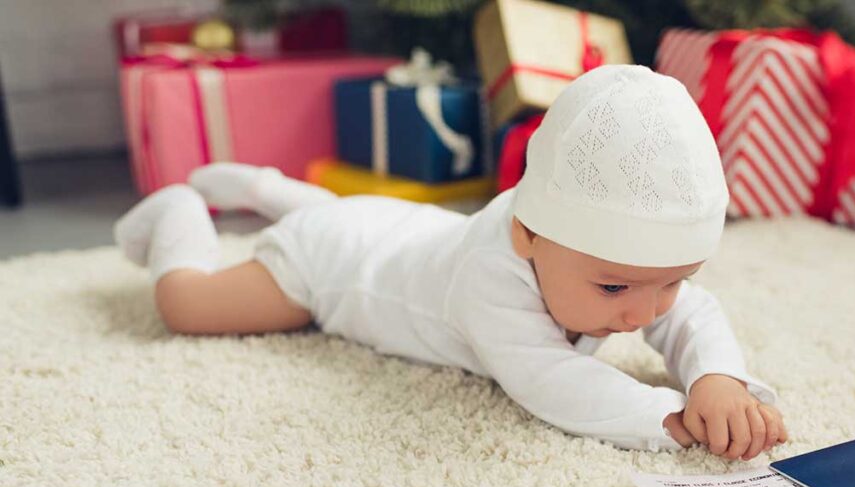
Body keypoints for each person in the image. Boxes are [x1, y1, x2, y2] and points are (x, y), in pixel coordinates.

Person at [113, 64, 788, 459]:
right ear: (528, 236)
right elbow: (551, 381)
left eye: (674, 278)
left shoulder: (586, 251)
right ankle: (179, 208)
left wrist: (718, 379)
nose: (645, 311)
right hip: (330, 266)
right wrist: (669, 416)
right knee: (187, 307)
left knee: (353, 213)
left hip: (388, 225)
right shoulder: (488, 282)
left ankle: (267, 189)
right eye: (616, 286)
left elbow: (690, 314)